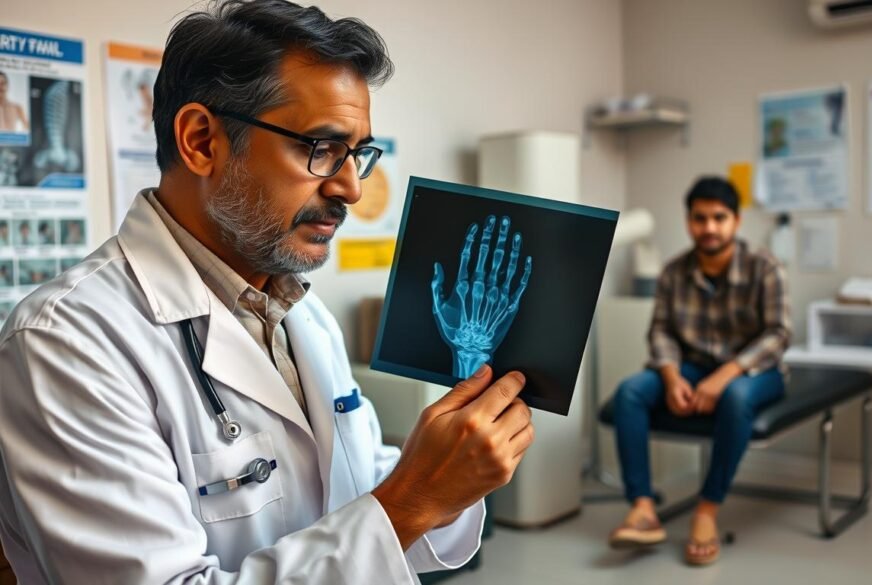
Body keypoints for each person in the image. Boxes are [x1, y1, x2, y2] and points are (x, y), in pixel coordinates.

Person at [0, 2, 535, 583]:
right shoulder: (65, 344)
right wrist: (412, 499)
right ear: (202, 141)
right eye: (321, 148)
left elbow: (355, 483)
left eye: (358, 154)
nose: (352, 187)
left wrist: (450, 473)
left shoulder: (303, 316)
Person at [608, 176, 790, 566]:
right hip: (690, 367)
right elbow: (661, 331)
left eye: (719, 218)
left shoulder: (765, 267)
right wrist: (672, 377)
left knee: (736, 397)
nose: (709, 227)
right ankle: (642, 508)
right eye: (700, 218)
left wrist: (724, 377)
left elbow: (779, 334)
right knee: (630, 392)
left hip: (756, 370)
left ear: (736, 222)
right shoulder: (673, 273)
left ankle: (706, 509)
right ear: (689, 221)